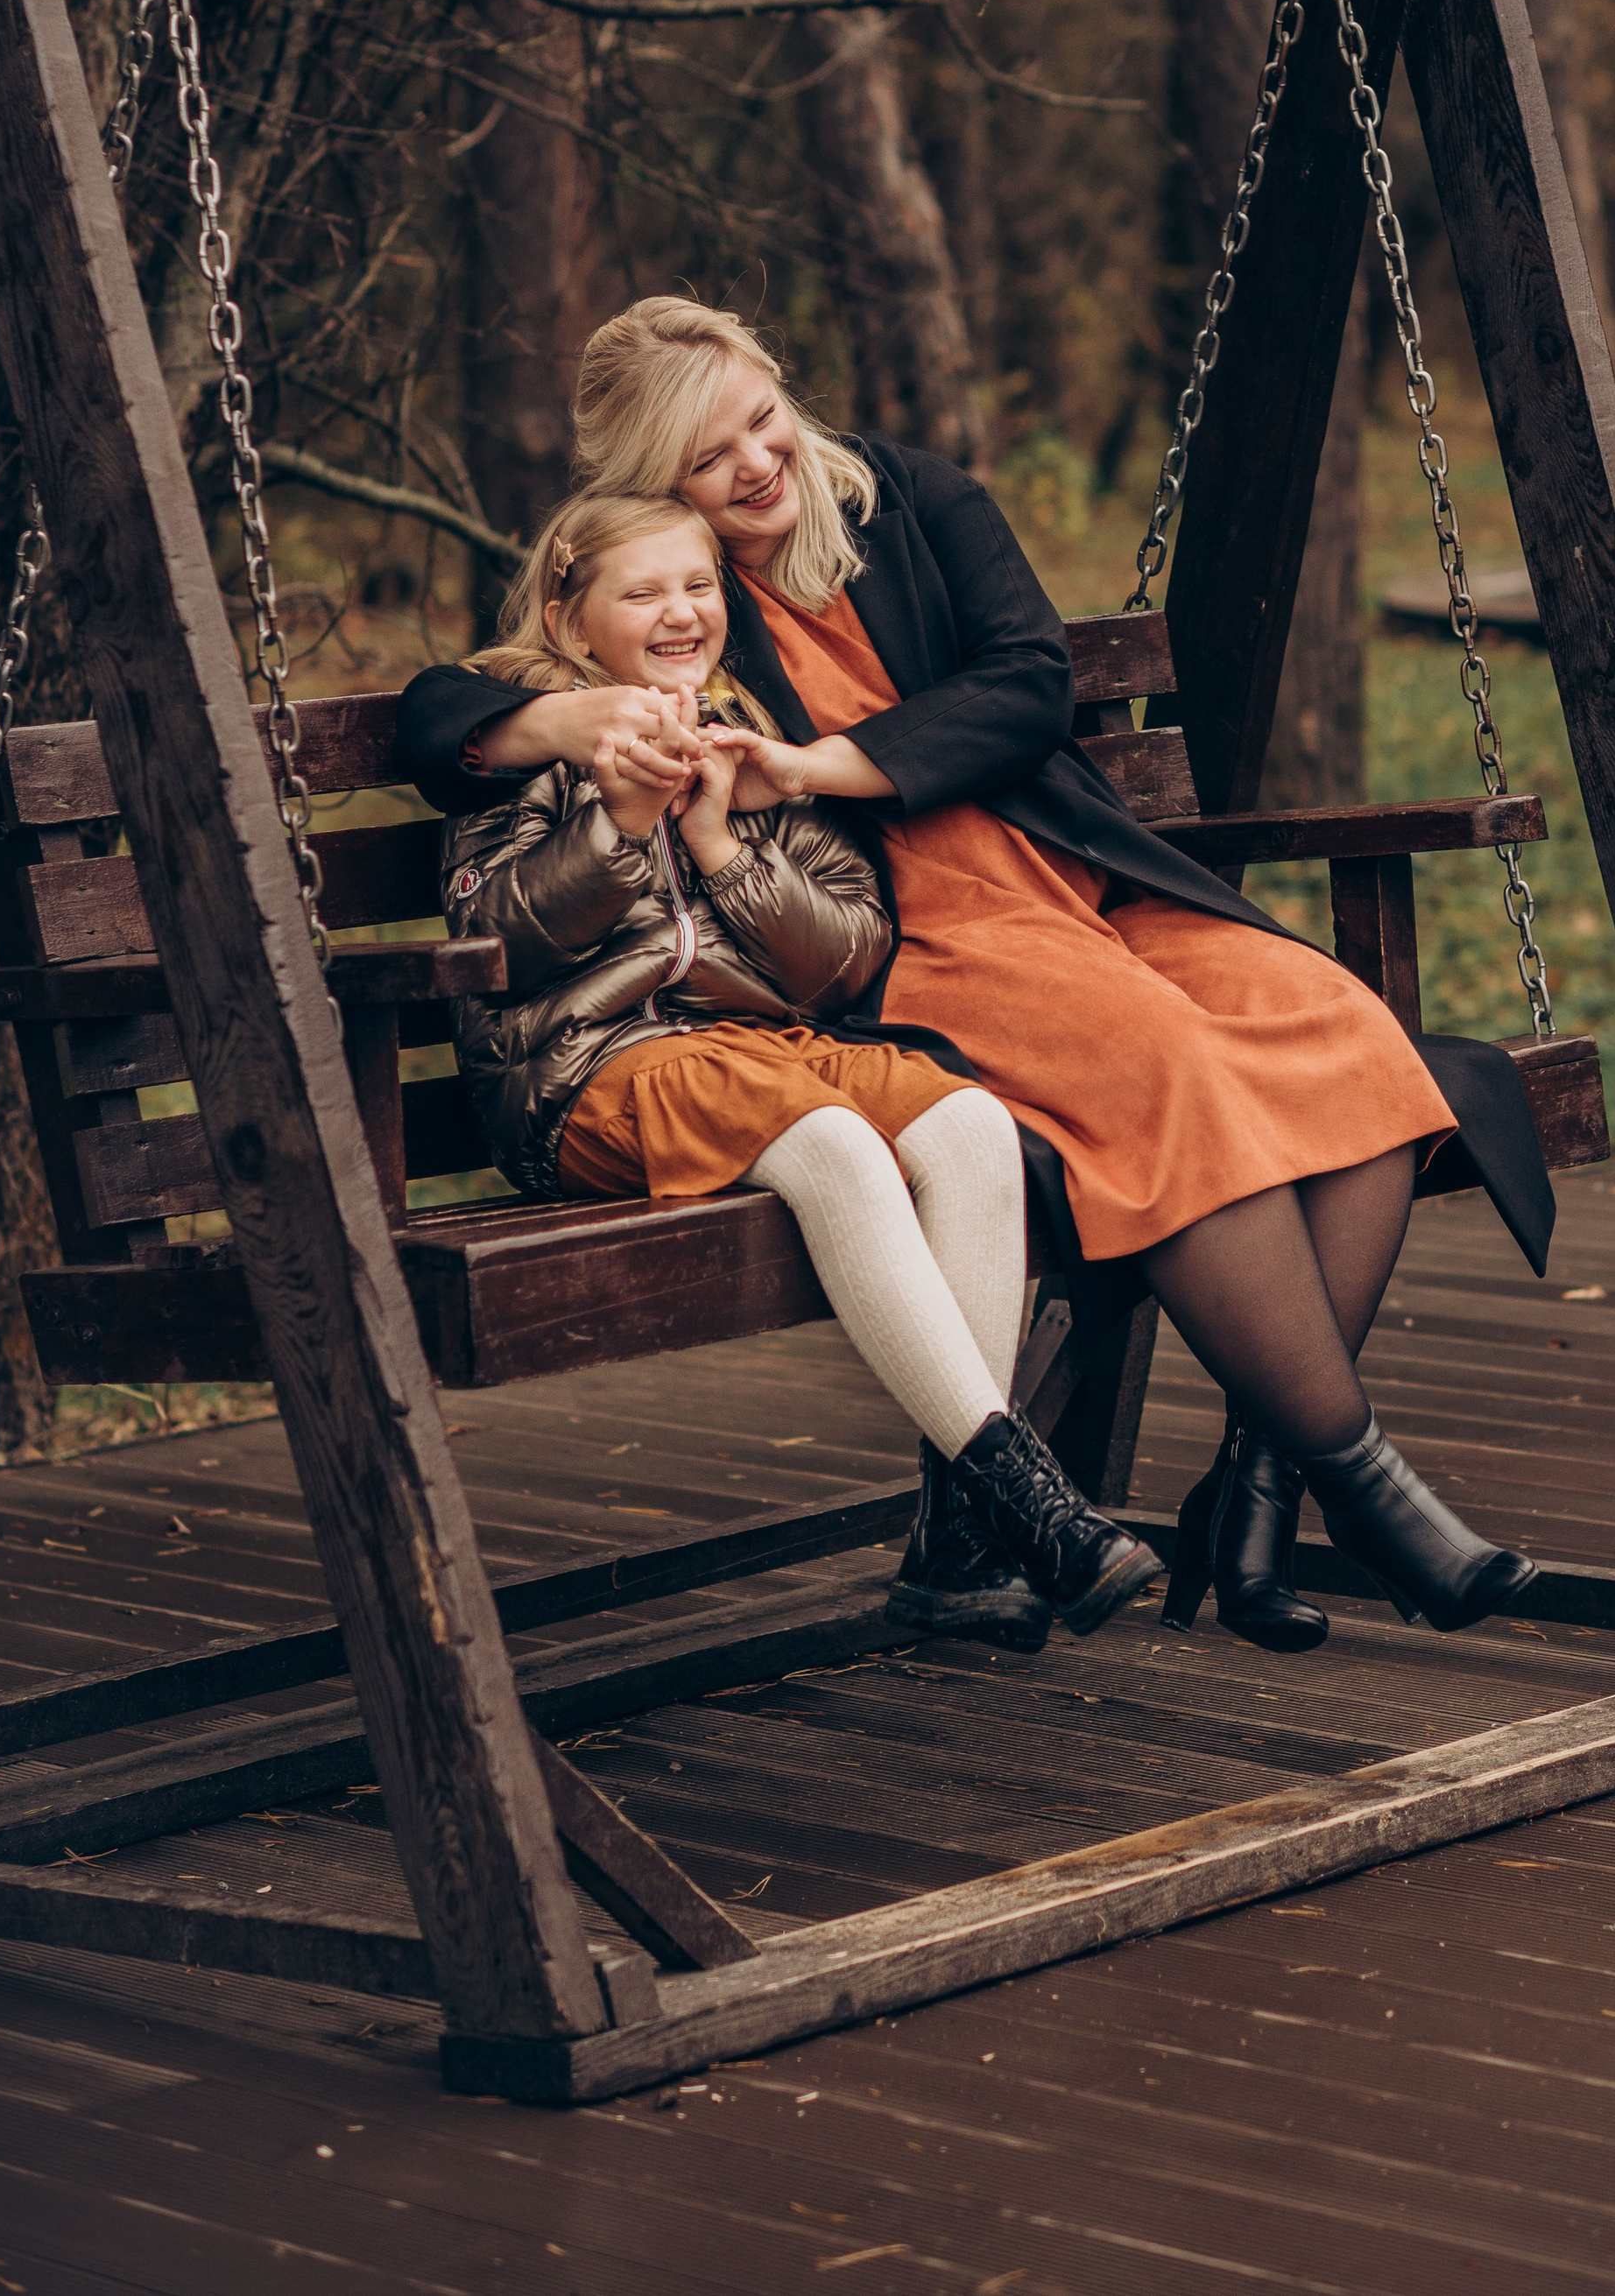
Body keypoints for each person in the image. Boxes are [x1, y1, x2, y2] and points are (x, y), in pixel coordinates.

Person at [401, 299, 1546, 1657]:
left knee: (1351, 1037)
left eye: (761, 420)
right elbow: (436, 718)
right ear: (662, 490)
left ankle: (1263, 1480)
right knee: (1161, 1068)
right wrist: (562, 716)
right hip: (910, 932)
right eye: (710, 462)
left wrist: (816, 765)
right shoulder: (682, 595)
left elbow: (1027, 684)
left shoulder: (908, 500)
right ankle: (1367, 1487)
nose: (756, 467)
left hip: (1070, 873)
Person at [436, 483, 1161, 1652]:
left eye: (697, 585)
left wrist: (723, 843)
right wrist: (615, 830)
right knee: (835, 1148)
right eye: (643, 592)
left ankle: (962, 1542)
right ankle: (1029, 1499)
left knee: (969, 1128)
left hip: (766, 1052)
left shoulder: (748, 728)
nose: (681, 612)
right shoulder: (528, 744)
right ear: (573, 623)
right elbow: (493, 945)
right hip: (593, 1072)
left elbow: (845, 955)